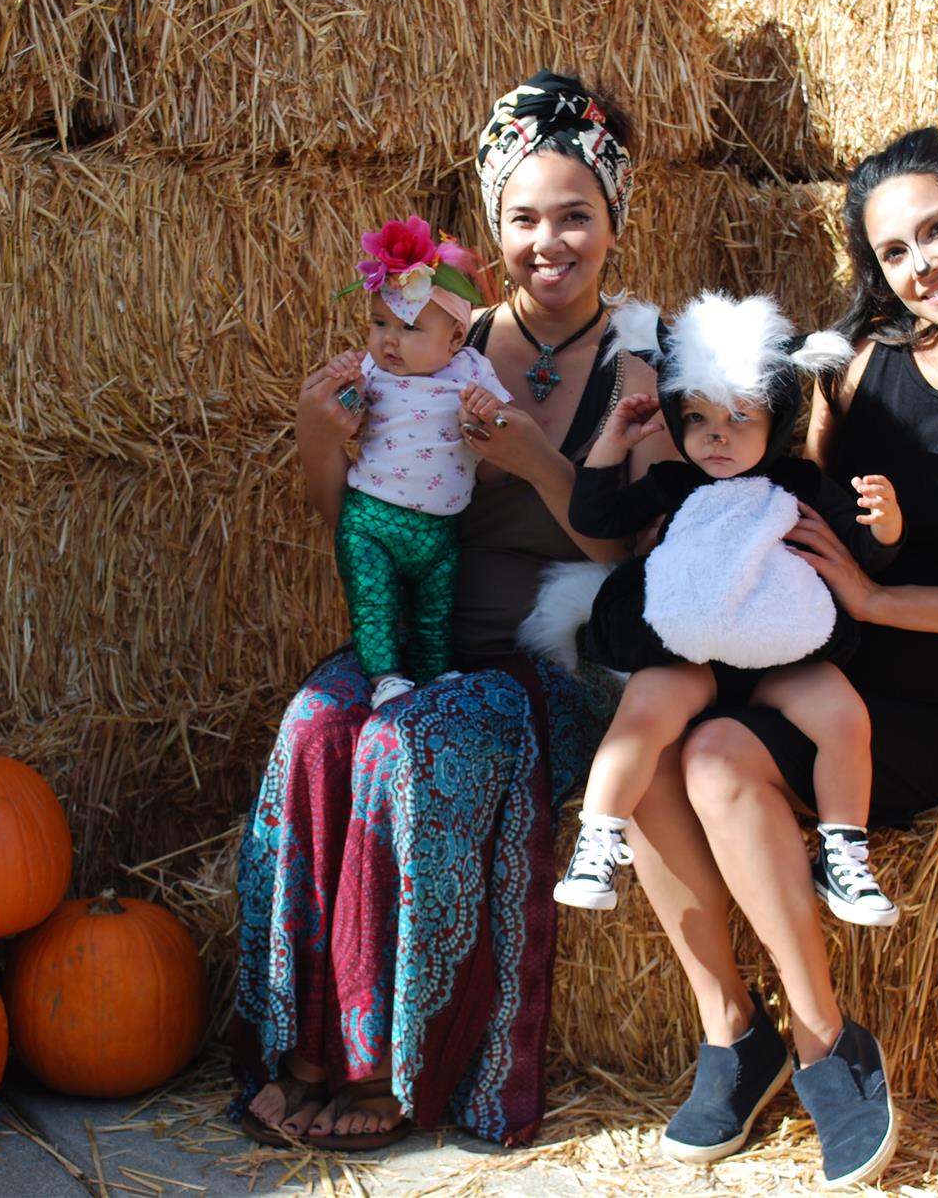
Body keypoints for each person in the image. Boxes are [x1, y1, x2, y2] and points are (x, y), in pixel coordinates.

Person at [626, 127, 938, 1189]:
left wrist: (878, 596)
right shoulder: (861, 365)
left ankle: (822, 1038)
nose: (921, 264)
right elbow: (781, 503)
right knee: (638, 759)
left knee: (718, 759)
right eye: (895, 251)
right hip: (811, 661)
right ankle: (733, 1028)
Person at [233, 70, 667, 1150]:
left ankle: (396, 1065)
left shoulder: (643, 362)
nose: (549, 241)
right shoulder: (441, 334)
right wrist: (316, 441)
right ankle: (300, 1045)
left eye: (576, 214)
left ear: (615, 218)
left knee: (406, 746)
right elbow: (350, 520)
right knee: (318, 723)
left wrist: (532, 455)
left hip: (548, 674)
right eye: (525, 217)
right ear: (493, 225)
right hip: (417, 642)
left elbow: (645, 558)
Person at [550, 292, 903, 929]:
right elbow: (593, 517)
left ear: (778, 421)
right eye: (697, 417)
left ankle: (843, 848)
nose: (716, 434)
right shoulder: (672, 485)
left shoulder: (798, 486)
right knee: (643, 714)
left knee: (844, 715)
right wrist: (611, 441)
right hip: (688, 654)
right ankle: (596, 838)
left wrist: (883, 528)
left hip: (781, 654)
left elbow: (859, 556)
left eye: (741, 416)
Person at [326, 215, 511, 709]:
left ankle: (434, 671)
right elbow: (346, 416)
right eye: (379, 323)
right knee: (374, 602)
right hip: (372, 522)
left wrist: (487, 413)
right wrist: (346, 391)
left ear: (454, 339)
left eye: (409, 328)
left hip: (440, 531)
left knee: (436, 608)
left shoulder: (473, 372)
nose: (389, 340)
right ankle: (386, 676)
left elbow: (502, 421)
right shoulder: (373, 370)